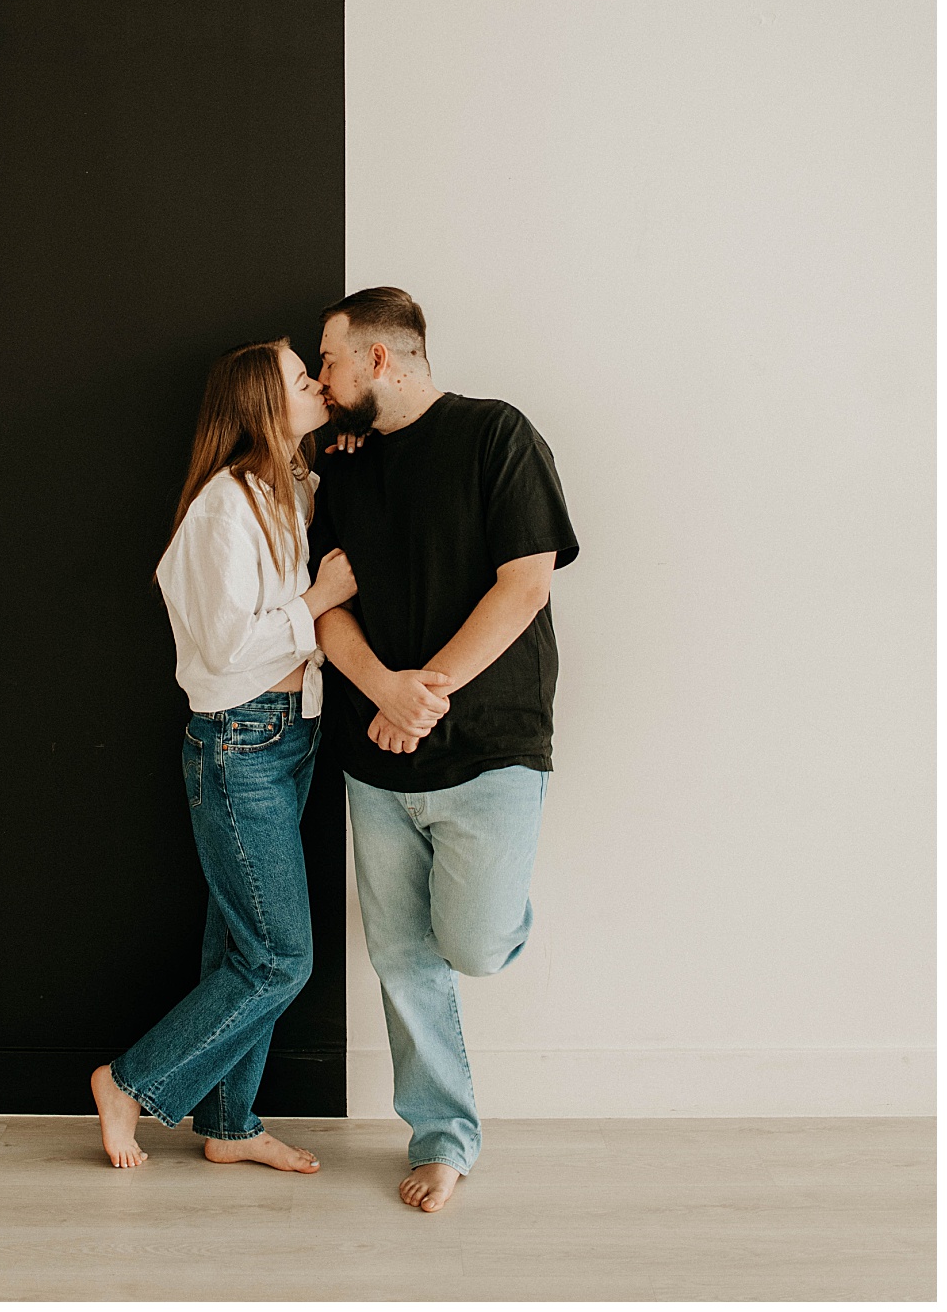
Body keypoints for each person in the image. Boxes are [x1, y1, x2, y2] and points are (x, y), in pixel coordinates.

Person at [309, 289, 579, 1213]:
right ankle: (444, 1134)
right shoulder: (340, 465)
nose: (323, 379)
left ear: (380, 360)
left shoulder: (497, 434)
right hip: (374, 753)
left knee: (469, 943)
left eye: (332, 361)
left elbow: (525, 585)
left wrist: (424, 692)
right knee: (400, 956)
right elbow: (327, 605)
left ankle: (497, 918)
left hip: (492, 747)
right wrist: (385, 690)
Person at [90, 338, 357, 1175]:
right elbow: (227, 641)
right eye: (299, 378)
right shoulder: (221, 508)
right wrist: (318, 601)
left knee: (242, 950)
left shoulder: (284, 492)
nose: (316, 383)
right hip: (240, 743)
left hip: (289, 735)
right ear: (259, 405)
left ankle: (232, 1126)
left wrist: (330, 458)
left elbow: (306, 492)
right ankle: (129, 1080)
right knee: (282, 958)